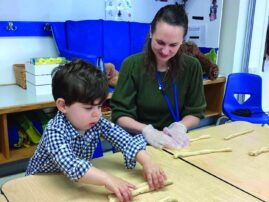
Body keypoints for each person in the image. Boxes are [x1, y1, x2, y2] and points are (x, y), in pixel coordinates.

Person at [26, 59, 167, 202]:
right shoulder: (55, 131)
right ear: (63, 106)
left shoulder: (95, 121)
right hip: (41, 182)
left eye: (100, 106)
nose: (97, 114)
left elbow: (123, 139)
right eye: (88, 108)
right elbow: (72, 164)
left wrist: (148, 162)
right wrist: (107, 179)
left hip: (70, 182)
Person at [110, 4, 206, 149]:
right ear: (151, 32)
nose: (165, 51)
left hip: (174, 143)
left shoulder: (192, 67)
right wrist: (147, 131)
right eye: (160, 42)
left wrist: (180, 126)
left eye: (173, 45)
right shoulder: (131, 65)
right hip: (137, 145)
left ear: (182, 41)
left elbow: (196, 112)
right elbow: (119, 116)